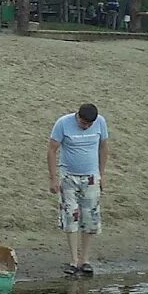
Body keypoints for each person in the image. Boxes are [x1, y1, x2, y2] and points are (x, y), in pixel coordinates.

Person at [48, 102, 109, 277]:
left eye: (90, 125)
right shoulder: (63, 123)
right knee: (70, 216)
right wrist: (53, 179)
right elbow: (52, 150)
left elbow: (104, 147)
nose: (87, 127)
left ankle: (85, 259)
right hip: (68, 177)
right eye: (84, 124)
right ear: (78, 116)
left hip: (91, 177)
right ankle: (74, 260)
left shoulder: (100, 123)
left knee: (90, 218)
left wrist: (102, 174)